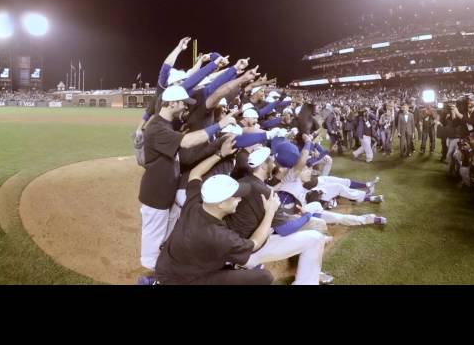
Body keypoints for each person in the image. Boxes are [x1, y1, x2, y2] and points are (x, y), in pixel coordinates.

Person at [138, 85, 238, 271]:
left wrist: (218, 145)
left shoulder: (167, 124)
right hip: (155, 194)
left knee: (166, 237)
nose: (185, 107)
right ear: (171, 103)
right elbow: (187, 142)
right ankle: (150, 277)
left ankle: (161, 268)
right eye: (183, 103)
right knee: (151, 250)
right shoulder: (156, 127)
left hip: (167, 192)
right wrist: (219, 126)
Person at [154, 138, 277, 285]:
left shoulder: (195, 204)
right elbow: (254, 243)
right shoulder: (219, 236)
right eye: (235, 197)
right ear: (220, 204)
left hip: (166, 268)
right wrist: (270, 212)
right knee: (264, 277)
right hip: (184, 281)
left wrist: (220, 154)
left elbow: (195, 174)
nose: (239, 200)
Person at [224, 146, 330, 285]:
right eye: (271, 162)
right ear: (262, 166)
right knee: (315, 238)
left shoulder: (242, 182)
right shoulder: (265, 191)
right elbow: (284, 230)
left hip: (233, 245)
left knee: (279, 224)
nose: (274, 165)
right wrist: (307, 216)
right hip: (250, 250)